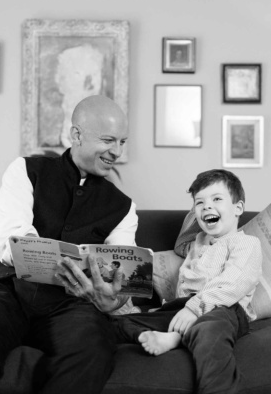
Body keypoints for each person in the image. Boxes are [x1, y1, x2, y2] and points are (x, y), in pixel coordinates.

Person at [0, 95, 138, 394]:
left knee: (93, 350)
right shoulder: (25, 170)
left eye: (122, 142)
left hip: (69, 302)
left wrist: (109, 299)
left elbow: (122, 274)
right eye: (108, 140)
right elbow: (8, 240)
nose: (116, 151)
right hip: (3, 287)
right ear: (76, 135)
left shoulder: (124, 208)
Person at [111, 169, 262, 394]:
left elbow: (233, 283)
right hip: (183, 307)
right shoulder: (197, 243)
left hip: (225, 308)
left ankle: (178, 338)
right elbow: (184, 273)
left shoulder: (247, 243)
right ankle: (174, 335)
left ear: (238, 208)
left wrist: (194, 307)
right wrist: (169, 311)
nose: (207, 207)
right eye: (199, 203)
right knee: (116, 323)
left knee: (209, 330)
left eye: (217, 199)